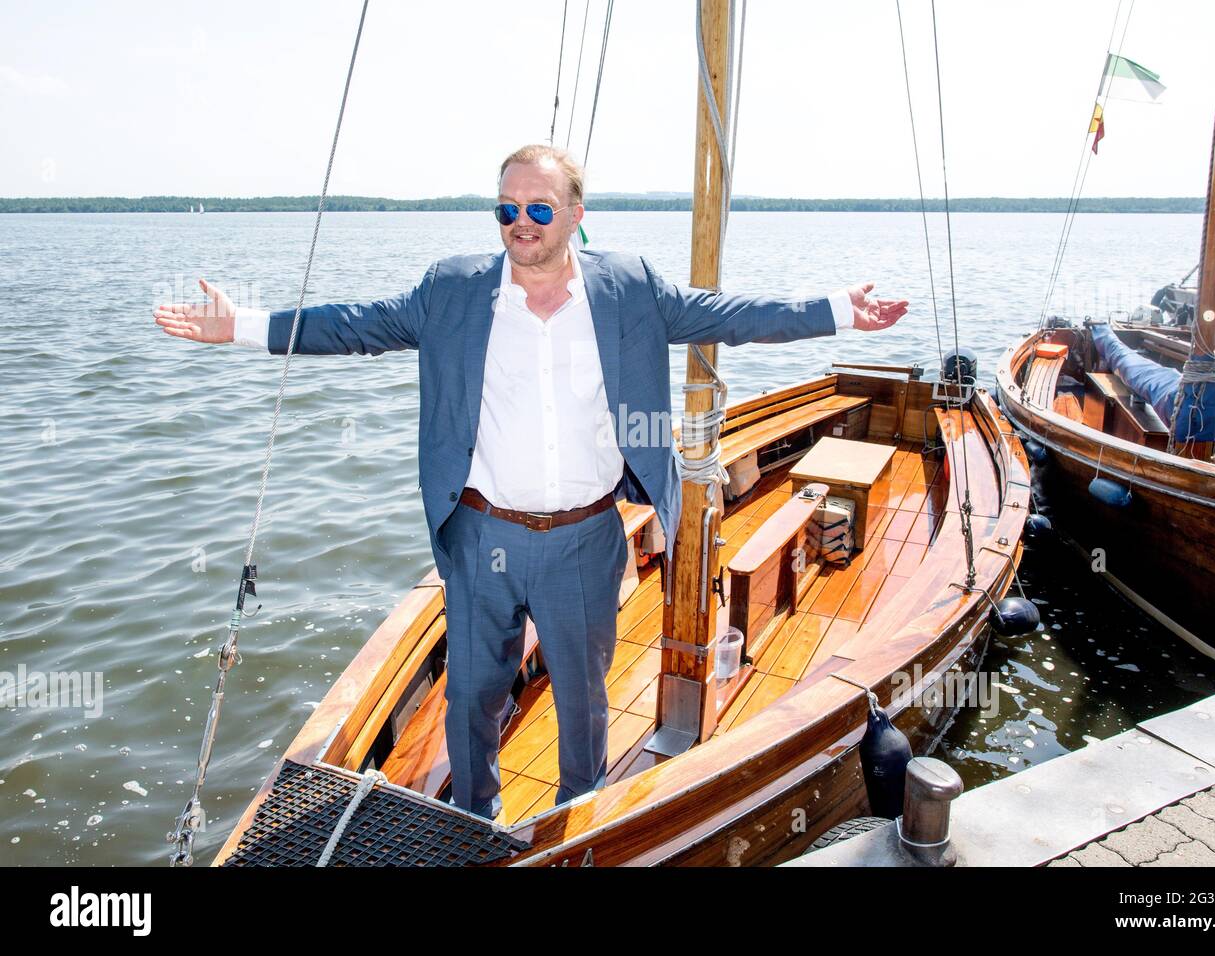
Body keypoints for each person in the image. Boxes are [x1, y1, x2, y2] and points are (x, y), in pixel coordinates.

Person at [153, 144, 908, 820]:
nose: (522, 223)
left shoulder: (627, 288)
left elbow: (733, 314)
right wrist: (243, 328)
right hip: (481, 533)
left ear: (576, 215)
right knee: (472, 696)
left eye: (539, 208)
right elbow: (354, 325)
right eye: (507, 209)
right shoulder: (452, 291)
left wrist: (839, 310)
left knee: (582, 704)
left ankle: (572, 819)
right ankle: (474, 815)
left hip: (585, 537)